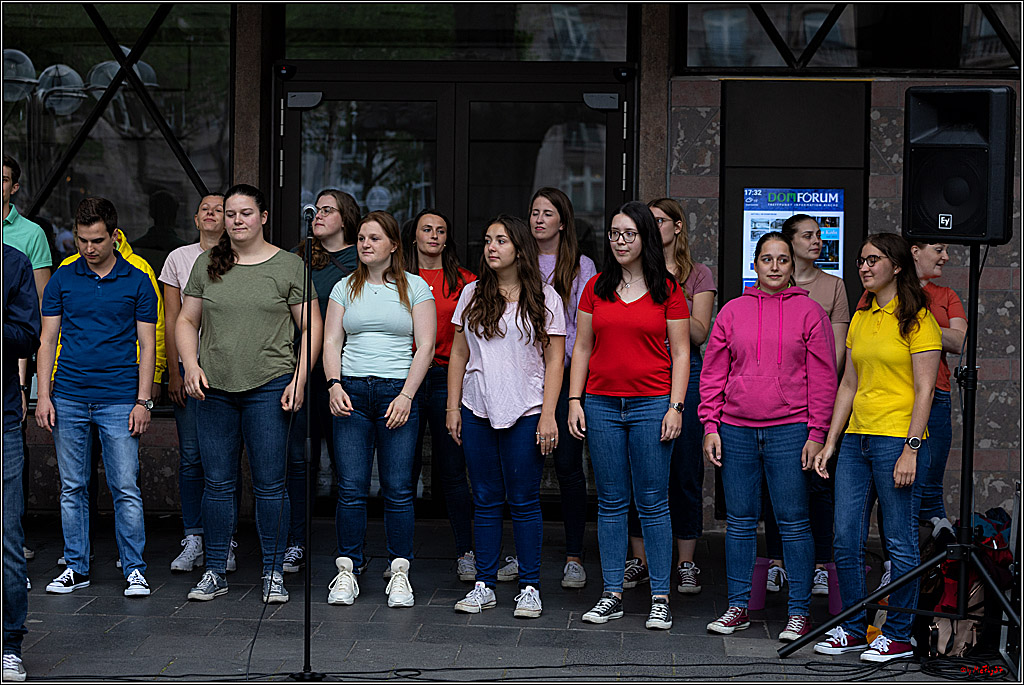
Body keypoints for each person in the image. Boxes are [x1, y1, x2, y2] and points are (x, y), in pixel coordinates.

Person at [178, 184, 322, 604]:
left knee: (270, 485)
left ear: (262, 217)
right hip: (214, 389)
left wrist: (299, 380)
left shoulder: (289, 265)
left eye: (245, 213)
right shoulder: (208, 263)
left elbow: (311, 327)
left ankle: (274, 571)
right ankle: (214, 570)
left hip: (270, 387)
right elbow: (186, 321)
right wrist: (191, 366)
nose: (236, 220)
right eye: (230, 214)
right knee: (218, 485)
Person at [700, 232, 837, 642]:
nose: (774, 266)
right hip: (737, 429)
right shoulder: (731, 311)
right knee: (740, 523)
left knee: (794, 523)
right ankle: (738, 607)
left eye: (782, 259)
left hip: (790, 430)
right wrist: (710, 426)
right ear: (755, 265)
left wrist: (816, 433)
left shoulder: (811, 313)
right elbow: (712, 374)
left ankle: (798, 614)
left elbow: (824, 379)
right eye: (766, 259)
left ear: (792, 266)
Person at [812, 233, 941, 662]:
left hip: (895, 440)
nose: (863, 268)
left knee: (899, 541)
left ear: (897, 266)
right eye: (861, 261)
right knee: (845, 538)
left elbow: (926, 391)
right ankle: (853, 627)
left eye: (872, 260)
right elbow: (849, 383)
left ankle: (899, 636)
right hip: (856, 440)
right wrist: (831, 441)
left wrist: (912, 447)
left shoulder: (919, 319)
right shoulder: (863, 316)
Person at [570, 201, 690, 631]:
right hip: (601, 404)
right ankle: (612, 594)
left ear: (645, 238)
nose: (620, 241)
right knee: (611, 502)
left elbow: (681, 352)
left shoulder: (668, 289)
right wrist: (574, 399)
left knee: (653, 502)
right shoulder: (596, 287)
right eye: (614, 234)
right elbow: (581, 347)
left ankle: (660, 596)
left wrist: (676, 406)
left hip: (652, 404)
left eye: (629, 234)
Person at [35, 197, 157, 598]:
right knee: (72, 487)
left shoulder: (138, 279)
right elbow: (47, 340)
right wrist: (44, 396)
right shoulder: (64, 278)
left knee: (125, 486)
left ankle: (135, 569)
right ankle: (76, 566)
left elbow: (147, 344)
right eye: (83, 240)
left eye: (97, 240)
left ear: (115, 236)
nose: (88, 248)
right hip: (68, 394)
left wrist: (144, 402)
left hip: (120, 398)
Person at [447, 214, 565, 618]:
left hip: (527, 409)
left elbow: (555, 362)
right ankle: (484, 583)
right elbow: (459, 354)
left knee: (525, 500)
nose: (491, 247)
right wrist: (452, 407)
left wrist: (549, 414)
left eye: (500, 240)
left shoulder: (547, 298)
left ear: (519, 247)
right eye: (487, 240)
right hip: (478, 406)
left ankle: (530, 586)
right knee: (485, 499)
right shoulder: (471, 293)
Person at [322, 211, 435, 609]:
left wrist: (406, 396)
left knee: (399, 489)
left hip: (396, 394)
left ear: (393, 246)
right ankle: (346, 571)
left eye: (374, 238)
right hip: (350, 393)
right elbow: (331, 341)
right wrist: (333, 384)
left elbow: (425, 347)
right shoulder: (342, 287)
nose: (365, 244)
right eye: (361, 239)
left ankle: (399, 572)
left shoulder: (416, 288)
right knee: (351, 488)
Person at [623, 198, 716, 594]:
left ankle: (686, 562)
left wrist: (669, 294)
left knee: (683, 469)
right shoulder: (631, 272)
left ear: (677, 227)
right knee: (636, 469)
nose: (652, 226)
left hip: (685, 373)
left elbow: (698, 333)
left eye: (659, 221)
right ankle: (638, 559)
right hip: (641, 372)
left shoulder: (697, 275)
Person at [507, 187, 597, 589]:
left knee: (566, 467)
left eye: (548, 213)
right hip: (519, 379)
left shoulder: (581, 266)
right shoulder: (516, 259)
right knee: (519, 469)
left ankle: (574, 555)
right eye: (534, 211)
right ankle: (518, 553)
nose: (539, 219)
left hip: (562, 380)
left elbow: (585, 331)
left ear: (563, 221)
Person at [761, 214, 851, 597]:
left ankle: (818, 564)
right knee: (772, 488)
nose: (817, 240)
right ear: (787, 242)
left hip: (814, 400)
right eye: (808, 235)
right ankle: (777, 562)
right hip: (772, 407)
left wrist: (818, 399)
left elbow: (835, 354)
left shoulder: (832, 287)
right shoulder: (769, 283)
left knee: (817, 485)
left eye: (820, 234)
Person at [282, 188, 360, 574]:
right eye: (316, 210)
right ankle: (296, 540)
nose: (318, 215)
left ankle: (351, 551)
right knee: (300, 461)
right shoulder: (298, 259)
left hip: (346, 374)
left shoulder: (360, 259)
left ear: (345, 218)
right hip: (303, 373)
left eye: (327, 210)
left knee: (348, 465)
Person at [160, 193, 238, 573]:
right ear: (195, 219)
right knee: (191, 458)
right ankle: (194, 537)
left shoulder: (240, 255)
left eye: (219, 209)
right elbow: (174, 315)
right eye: (205, 208)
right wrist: (175, 370)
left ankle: (226, 540)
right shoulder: (178, 258)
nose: (211, 213)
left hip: (227, 369)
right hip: (188, 370)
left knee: (223, 461)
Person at [404, 208, 478, 581]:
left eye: (441, 230)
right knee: (404, 469)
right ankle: (398, 557)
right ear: (413, 236)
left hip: (450, 379)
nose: (433, 235)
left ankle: (466, 552)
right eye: (426, 229)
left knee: (451, 471)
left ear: (447, 239)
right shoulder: (396, 278)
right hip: (405, 381)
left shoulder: (466, 282)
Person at [3, 245, 40, 682]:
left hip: (3, 420)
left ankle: (9, 645)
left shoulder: (13, 263)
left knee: (7, 541)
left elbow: (27, 334)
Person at [909, 242, 966, 524]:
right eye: (939, 249)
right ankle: (893, 564)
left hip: (936, 395)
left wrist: (914, 319)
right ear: (914, 251)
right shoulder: (882, 291)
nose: (946, 257)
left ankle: (938, 566)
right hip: (895, 395)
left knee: (930, 485)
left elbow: (958, 341)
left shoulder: (946, 295)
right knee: (899, 486)